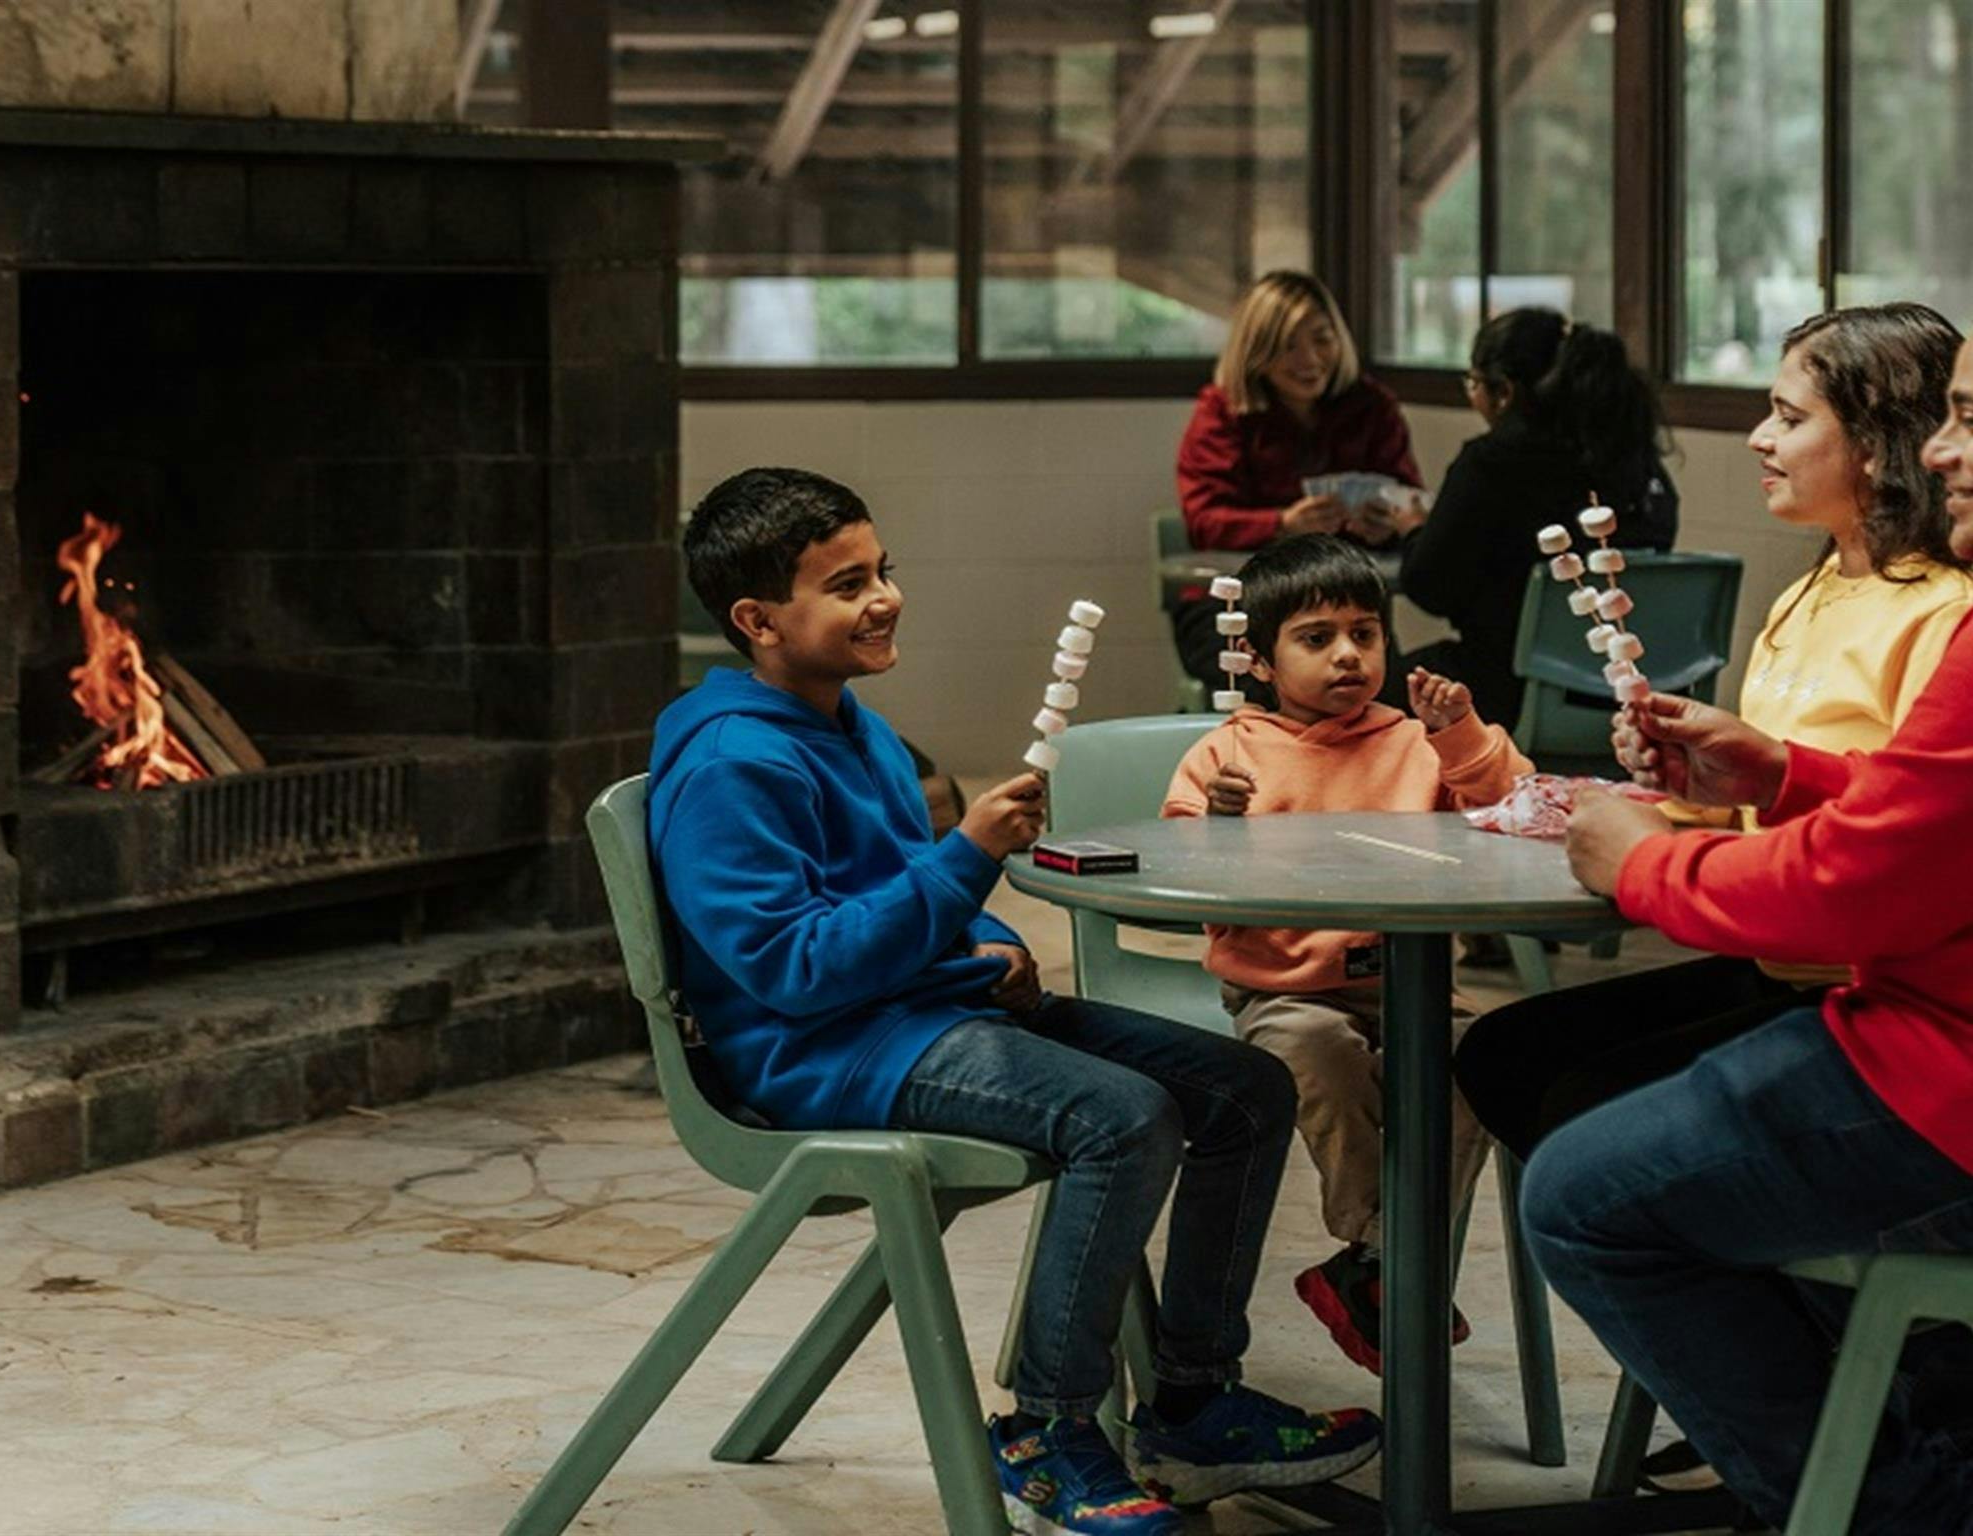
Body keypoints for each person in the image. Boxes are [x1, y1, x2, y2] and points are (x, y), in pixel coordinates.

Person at [648, 469, 1381, 1536]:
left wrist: (990, 938)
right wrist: (968, 856)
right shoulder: (731, 763)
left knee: (1246, 1089)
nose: (884, 598)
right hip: (823, 1052)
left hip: (919, 1011)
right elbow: (792, 970)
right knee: (1122, 1118)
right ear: (759, 622)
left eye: (882, 570)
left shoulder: (850, 725)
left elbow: (902, 889)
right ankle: (1046, 1427)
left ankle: (1190, 1403)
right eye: (847, 585)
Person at [1451, 302, 1973, 1491]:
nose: (1943, 451)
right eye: (1944, 419)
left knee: (1580, 1188)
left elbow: (1861, 884)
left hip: (1915, 1038)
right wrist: (1780, 775)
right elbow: (1915, 815)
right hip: (1875, 989)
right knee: (1519, 1064)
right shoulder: (1809, 589)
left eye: (1967, 422)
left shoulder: (1944, 612)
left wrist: (1643, 863)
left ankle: (1882, 1488)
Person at [1160, 534, 1532, 1374]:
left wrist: (1461, 732)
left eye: (1365, 633)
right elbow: (1183, 875)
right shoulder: (1227, 754)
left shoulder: (1416, 741)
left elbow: (1519, 809)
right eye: (1317, 638)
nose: (1348, 655)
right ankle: (1382, 1252)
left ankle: (1372, 1267)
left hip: (1412, 986)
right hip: (1284, 990)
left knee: (1477, 1062)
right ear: (1261, 660)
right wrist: (1217, 824)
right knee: (1317, 1049)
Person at [1387, 309, 1678, 730]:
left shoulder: (1489, 465)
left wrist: (1414, 529)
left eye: (1473, 383)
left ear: (1504, 391)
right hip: (1626, 695)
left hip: (1506, 693)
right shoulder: (1641, 469)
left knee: (1359, 691)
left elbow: (1429, 587)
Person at [1169, 272, 1424, 692]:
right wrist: (1282, 524)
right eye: (1288, 345)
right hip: (1234, 602)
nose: (1309, 358)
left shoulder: (1372, 407)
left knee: (1382, 693)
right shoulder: (1223, 411)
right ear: (1257, 350)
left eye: (1322, 339)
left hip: (1341, 600)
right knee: (1277, 688)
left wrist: (1388, 525)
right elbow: (1204, 521)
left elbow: (1410, 501)